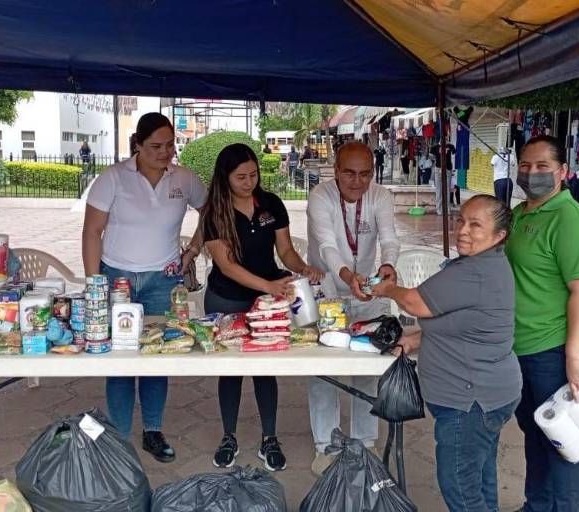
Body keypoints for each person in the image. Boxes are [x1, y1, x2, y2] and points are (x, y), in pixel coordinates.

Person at [371, 195, 521, 512]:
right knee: (480, 476)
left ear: (499, 235)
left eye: (476, 225)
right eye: (460, 220)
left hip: (470, 402)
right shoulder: (485, 263)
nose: (463, 230)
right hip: (488, 394)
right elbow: (462, 323)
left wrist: (387, 289)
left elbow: (414, 303)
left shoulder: (475, 271)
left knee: (461, 486)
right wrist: (414, 341)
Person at [82, 112, 207, 461]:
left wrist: (194, 247)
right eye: (155, 146)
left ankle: (153, 430)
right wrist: (95, 286)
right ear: (137, 143)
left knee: (156, 356)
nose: (164, 152)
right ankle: (120, 440)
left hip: (162, 280)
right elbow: (92, 232)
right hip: (116, 278)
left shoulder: (184, 179)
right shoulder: (113, 178)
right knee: (120, 359)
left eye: (170, 145)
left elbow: (212, 211)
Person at [202, 143, 324, 472]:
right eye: (240, 176)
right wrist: (269, 285)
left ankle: (269, 438)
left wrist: (302, 268)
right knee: (229, 370)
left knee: (265, 367)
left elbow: (284, 250)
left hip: (267, 302)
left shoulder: (270, 203)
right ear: (224, 178)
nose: (249, 181)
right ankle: (229, 436)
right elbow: (226, 266)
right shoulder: (214, 211)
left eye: (253, 174)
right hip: (227, 297)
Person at [506, 135, 579, 512]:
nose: (532, 174)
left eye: (543, 167)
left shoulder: (572, 220)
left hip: (556, 349)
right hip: (522, 346)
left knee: (564, 443)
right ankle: (538, 505)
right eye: (526, 166)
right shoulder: (521, 213)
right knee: (535, 433)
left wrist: (574, 357)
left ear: (563, 172)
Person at [306, 141, 400, 476]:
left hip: (368, 290)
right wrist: (348, 277)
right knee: (323, 370)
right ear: (336, 170)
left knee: (367, 366)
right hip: (328, 290)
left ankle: (365, 442)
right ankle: (326, 447)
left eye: (364, 174)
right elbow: (328, 246)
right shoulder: (320, 196)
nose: (357, 181)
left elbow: (389, 238)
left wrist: (388, 265)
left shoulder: (380, 196)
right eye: (349, 173)